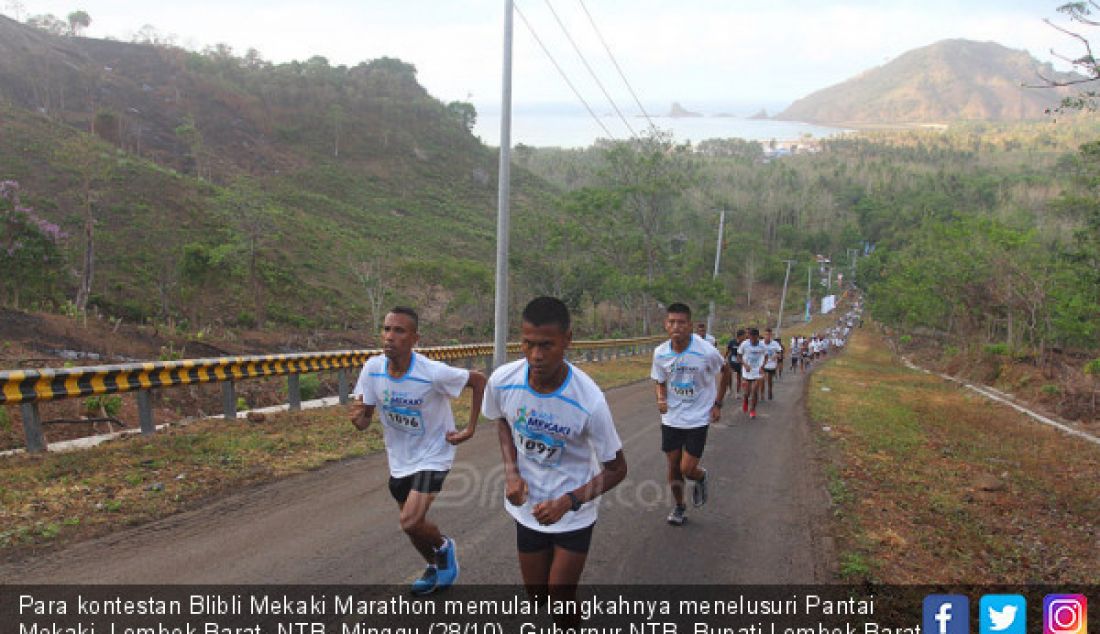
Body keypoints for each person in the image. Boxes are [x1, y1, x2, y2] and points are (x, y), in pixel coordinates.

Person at [485, 297, 627, 610]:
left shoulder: (589, 400)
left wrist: (568, 502)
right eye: (528, 343)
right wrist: (512, 472)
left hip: (574, 513)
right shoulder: (503, 381)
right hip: (529, 509)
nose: (536, 355)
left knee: (561, 599)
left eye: (547, 345)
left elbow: (617, 468)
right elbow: (503, 422)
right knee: (539, 600)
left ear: (568, 341)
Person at [351, 306, 487, 595]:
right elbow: (365, 419)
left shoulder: (431, 372)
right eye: (386, 329)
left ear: (415, 338)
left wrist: (470, 428)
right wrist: (359, 419)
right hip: (399, 459)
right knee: (413, 526)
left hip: (434, 455)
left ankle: (444, 547)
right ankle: (434, 565)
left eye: (399, 331)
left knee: (409, 520)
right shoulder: (373, 369)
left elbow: (478, 381)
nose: (390, 336)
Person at [652, 303, 731, 526]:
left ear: (690, 325)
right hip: (672, 418)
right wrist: (660, 398)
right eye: (672, 322)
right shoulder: (660, 353)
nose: (676, 327)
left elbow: (725, 371)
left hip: (698, 417)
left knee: (687, 468)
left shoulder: (706, 351)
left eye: (681, 322)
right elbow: (658, 379)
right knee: (673, 465)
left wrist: (718, 404)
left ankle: (700, 476)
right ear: (666, 325)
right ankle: (679, 506)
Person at [738, 328, 767, 418]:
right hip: (747, 370)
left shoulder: (762, 345)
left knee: (755, 391)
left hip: (757, 370)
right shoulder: (744, 344)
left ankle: (752, 410)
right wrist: (745, 365)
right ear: (749, 336)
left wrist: (762, 367)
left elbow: (766, 357)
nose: (753, 340)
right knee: (747, 392)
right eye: (751, 337)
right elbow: (739, 357)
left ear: (757, 337)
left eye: (754, 338)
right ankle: (746, 400)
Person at [762, 328, 783, 400]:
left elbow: (780, 353)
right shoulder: (760, 343)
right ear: (764, 335)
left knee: (770, 380)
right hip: (763, 364)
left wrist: (776, 356)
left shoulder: (775, 343)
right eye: (766, 334)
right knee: (762, 379)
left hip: (771, 365)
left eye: (769, 335)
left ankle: (770, 390)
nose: (767, 336)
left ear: (771, 335)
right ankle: (762, 394)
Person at [726, 329, 746, 396]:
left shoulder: (744, 343)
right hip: (731, 361)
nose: (745, 337)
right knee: (729, 375)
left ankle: (737, 392)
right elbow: (728, 351)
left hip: (740, 361)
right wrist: (724, 358)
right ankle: (729, 389)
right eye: (744, 336)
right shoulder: (732, 342)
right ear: (740, 336)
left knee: (739, 377)